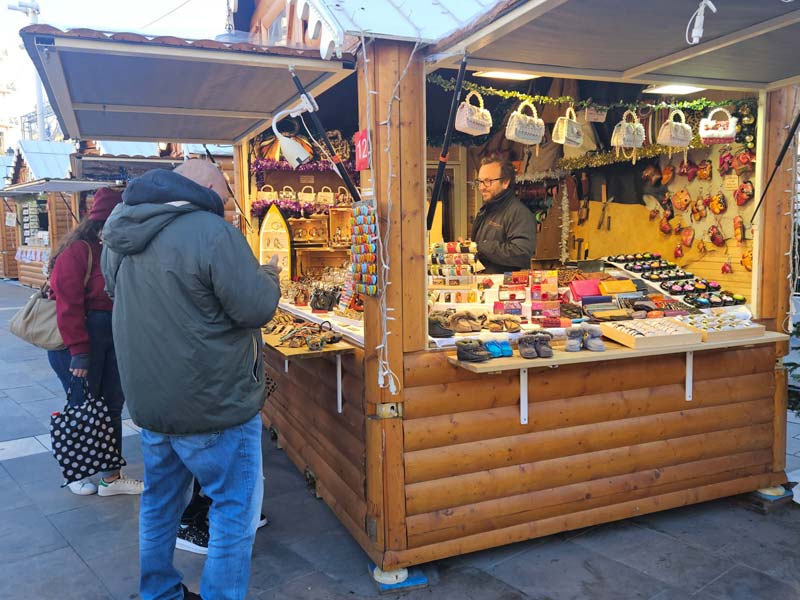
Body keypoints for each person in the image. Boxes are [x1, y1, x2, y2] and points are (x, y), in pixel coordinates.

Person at [101, 159, 281, 600]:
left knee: (160, 502)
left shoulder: (119, 234)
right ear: (203, 187)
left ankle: (159, 592)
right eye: (224, 194)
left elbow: (118, 295)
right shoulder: (212, 233)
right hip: (214, 402)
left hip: (152, 406)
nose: (227, 204)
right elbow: (255, 308)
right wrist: (270, 275)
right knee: (234, 512)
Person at [47, 187, 144, 497]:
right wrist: (79, 352)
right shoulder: (79, 251)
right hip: (82, 342)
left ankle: (110, 479)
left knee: (112, 406)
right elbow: (68, 305)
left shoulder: (120, 250)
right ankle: (77, 473)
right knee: (82, 408)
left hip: (112, 337)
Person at [470, 154, 537, 274]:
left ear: (505, 182)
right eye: (479, 181)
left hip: (507, 288)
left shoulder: (519, 213)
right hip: (486, 285)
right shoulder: (486, 210)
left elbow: (521, 253)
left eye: (488, 181)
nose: (481, 187)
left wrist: (480, 248)